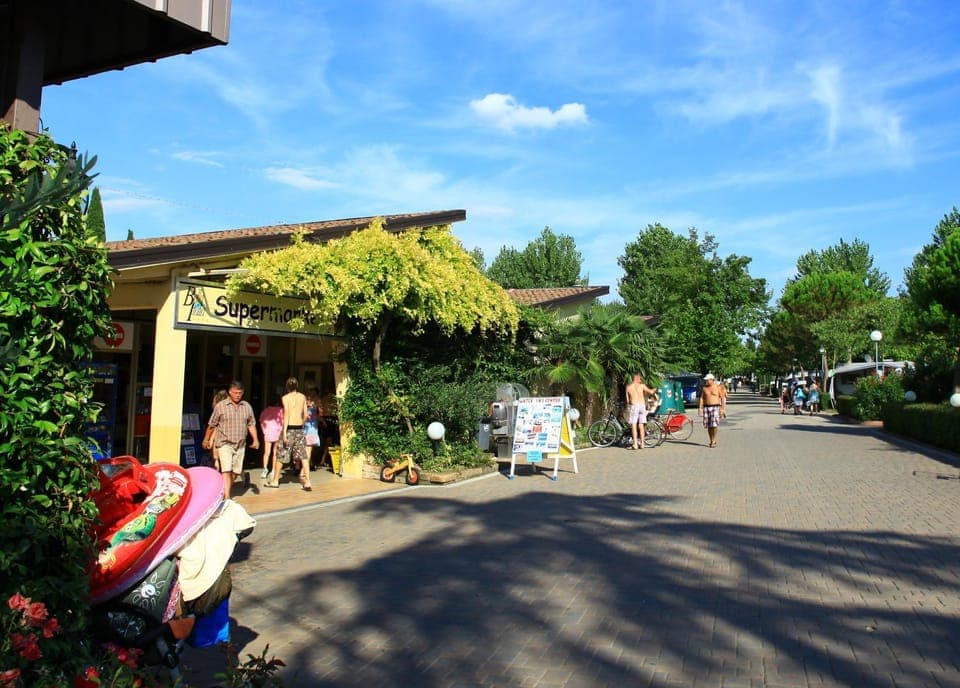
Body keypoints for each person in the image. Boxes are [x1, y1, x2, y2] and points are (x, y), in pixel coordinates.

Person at [205, 381, 258, 500]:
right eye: (235, 393)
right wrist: (207, 439)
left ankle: (223, 488)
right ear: (230, 392)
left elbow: (251, 424)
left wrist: (255, 439)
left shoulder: (247, 407)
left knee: (236, 472)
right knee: (226, 470)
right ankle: (227, 496)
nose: (238, 395)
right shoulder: (221, 406)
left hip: (240, 444)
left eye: (240, 393)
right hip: (224, 443)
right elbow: (212, 425)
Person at [271, 377, 308, 490]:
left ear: (287, 387)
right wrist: (301, 423)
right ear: (297, 386)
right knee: (303, 456)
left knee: (282, 455)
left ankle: (275, 480)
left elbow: (286, 414)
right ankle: (307, 481)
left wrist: (284, 431)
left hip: (289, 428)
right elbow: (306, 415)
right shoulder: (303, 397)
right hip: (299, 428)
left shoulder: (285, 398)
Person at [625, 373, 657, 450]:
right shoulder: (642, 386)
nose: (640, 380)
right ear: (638, 379)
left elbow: (627, 400)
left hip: (634, 405)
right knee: (641, 425)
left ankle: (635, 444)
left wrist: (631, 401)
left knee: (633, 424)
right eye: (640, 378)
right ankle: (642, 444)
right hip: (642, 406)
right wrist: (655, 389)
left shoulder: (628, 387)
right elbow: (651, 392)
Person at [697, 373, 726, 448]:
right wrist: (700, 408)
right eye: (706, 380)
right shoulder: (704, 388)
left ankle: (714, 439)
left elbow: (723, 398)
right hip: (706, 407)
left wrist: (723, 409)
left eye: (707, 380)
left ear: (712, 380)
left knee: (714, 425)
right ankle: (711, 440)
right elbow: (701, 398)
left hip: (715, 407)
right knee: (709, 425)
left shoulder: (718, 387)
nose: (706, 381)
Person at [258, 396, 284, 479]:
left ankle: (265, 469)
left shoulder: (266, 410)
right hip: (278, 433)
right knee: (275, 453)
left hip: (268, 433)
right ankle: (273, 470)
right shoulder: (281, 410)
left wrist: (264, 431)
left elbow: (261, 420)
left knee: (266, 453)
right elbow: (284, 421)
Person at [201, 389, 228, 468]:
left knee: (216, 460)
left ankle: (218, 477)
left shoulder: (218, 412)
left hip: (219, 441)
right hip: (230, 442)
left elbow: (213, 427)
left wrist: (209, 440)